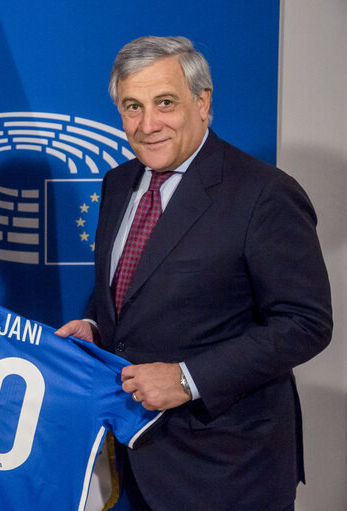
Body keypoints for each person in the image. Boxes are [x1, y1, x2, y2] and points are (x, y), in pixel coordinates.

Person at [57, 36, 332, 510]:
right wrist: (96, 325)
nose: (148, 125)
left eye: (165, 103)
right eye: (132, 106)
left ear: (203, 103)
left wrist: (187, 378)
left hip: (229, 465)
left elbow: (305, 324)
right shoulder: (119, 182)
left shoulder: (264, 194)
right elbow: (133, 288)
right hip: (134, 454)